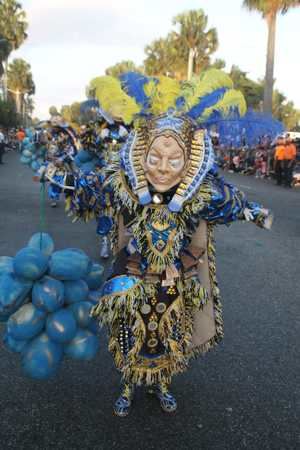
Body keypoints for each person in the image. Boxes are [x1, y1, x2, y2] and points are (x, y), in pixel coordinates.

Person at [68, 112, 272, 417]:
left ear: (189, 162)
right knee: (129, 336)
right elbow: (91, 191)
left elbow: (229, 206)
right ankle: (127, 386)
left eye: (174, 160)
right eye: (156, 158)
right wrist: (65, 179)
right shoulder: (125, 186)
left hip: (173, 284)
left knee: (169, 337)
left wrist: (253, 213)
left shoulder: (198, 195)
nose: (163, 169)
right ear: (141, 154)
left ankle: (162, 384)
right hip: (133, 280)